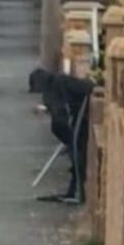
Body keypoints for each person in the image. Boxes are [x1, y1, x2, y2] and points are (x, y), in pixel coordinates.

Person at [29, 68, 95, 203]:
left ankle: (77, 191)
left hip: (82, 114)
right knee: (75, 149)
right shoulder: (57, 82)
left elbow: (60, 113)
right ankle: (75, 189)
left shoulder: (57, 85)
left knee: (77, 151)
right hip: (78, 114)